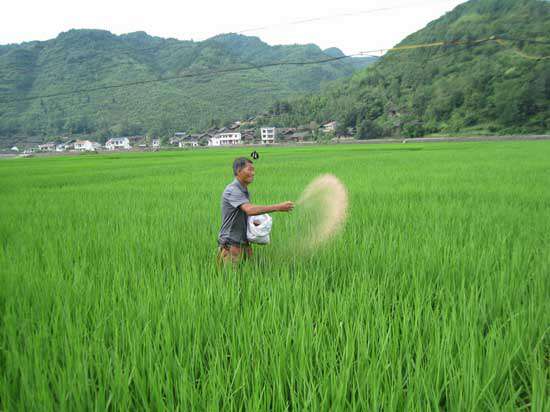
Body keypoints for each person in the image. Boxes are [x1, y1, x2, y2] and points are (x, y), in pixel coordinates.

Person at [218, 157, 294, 264]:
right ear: (239, 171)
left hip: (243, 242)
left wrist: (252, 222)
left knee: (249, 274)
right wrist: (278, 207)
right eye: (249, 169)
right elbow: (249, 209)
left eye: (253, 170)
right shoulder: (233, 190)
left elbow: (242, 213)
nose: (253, 173)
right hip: (231, 243)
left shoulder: (243, 190)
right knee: (231, 279)